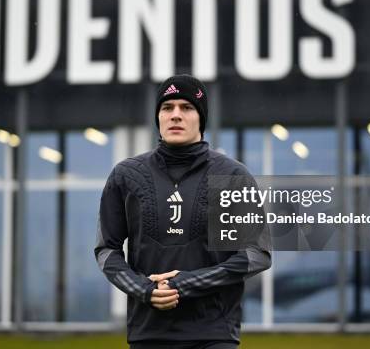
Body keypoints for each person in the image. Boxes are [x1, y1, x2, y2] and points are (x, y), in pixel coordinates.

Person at [94, 75, 272, 349]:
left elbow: (256, 254)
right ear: (158, 117)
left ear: (201, 118)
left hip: (214, 334)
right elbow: (107, 250)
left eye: (186, 108)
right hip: (148, 334)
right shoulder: (126, 175)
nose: (176, 115)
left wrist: (187, 283)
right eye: (168, 108)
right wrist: (144, 290)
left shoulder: (231, 175)